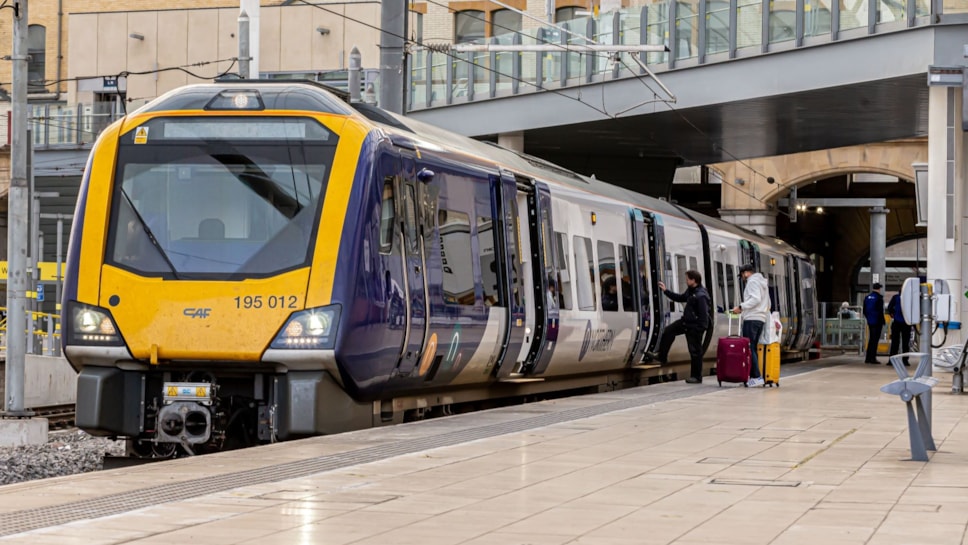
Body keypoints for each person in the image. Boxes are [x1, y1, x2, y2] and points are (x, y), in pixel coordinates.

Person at [646, 270, 710, 384]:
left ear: (693, 280)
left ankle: (696, 377)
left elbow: (704, 315)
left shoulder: (701, 295)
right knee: (668, 331)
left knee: (695, 351)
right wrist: (666, 291)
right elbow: (680, 298)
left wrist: (700, 329)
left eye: (687, 279)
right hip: (686, 322)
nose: (686, 281)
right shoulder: (691, 291)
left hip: (694, 326)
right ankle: (662, 356)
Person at [732, 264, 770, 388]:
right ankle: (755, 376)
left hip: (752, 318)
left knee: (749, 347)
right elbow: (766, 302)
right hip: (760, 318)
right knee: (752, 347)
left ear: (746, 273)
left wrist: (741, 307)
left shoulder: (752, 282)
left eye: (742, 275)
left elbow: (756, 299)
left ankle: (756, 377)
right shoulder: (762, 282)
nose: (743, 278)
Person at [887, 289, 911, 367]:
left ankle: (892, 360)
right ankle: (905, 360)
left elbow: (889, 307)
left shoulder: (895, 297)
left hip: (896, 322)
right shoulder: (909, 298)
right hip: (906, 322)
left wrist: (892, 314)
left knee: (895, 342)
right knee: (905, 343)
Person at [863, 282, 886, 364]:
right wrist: (883, 321)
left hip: (870, 321)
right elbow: (880, 311)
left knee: (871, 339)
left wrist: (869, 318)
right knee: (875, 340)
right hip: (877, 322)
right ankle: (873, 358)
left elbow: (864, 311)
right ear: (879, 289)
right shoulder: (879, 298)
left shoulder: (867, 297)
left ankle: (868, 358)